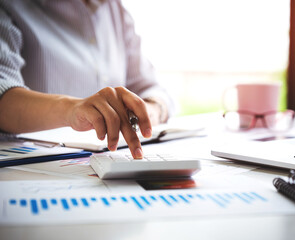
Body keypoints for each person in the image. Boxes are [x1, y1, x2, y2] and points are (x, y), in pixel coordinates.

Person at [0, 0, 174, 159]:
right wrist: (72, 109)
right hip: (33, 166)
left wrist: (151, 109)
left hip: (108, 161)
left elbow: (151, 87)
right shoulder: (10, 5)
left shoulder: (115, 9)